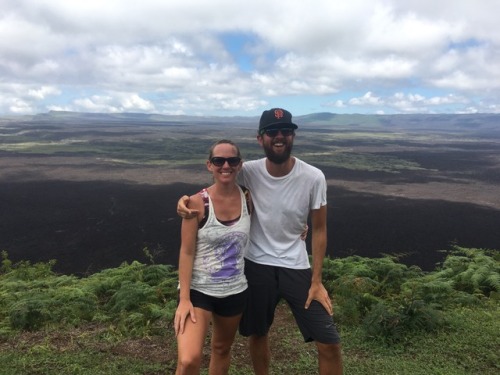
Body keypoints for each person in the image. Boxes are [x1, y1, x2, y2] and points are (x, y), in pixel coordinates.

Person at [178, 108, 343, 375]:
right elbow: (217, 183)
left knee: (329, 342)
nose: (279, 137)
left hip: (296, 265)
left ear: (292, 136)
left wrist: (316, 280)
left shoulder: (313, 177)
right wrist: (184, 201)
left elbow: (320, 229)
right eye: (272, 132)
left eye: (286, 131)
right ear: (260, 138)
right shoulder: (247, 171)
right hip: (255, 267)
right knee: (258, 334)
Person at [174, 139, 252, 375]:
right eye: (219, 160)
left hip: (235, 290)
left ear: (240, 165)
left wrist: (300, 229)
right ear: (209, 165)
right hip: (199, 291)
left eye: (232, 160)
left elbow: (271, 222)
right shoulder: (196, 203)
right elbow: (186, 252)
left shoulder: (248, 198)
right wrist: (184, 299)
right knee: (188, 359)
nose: (225, 165)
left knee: (221, 349)